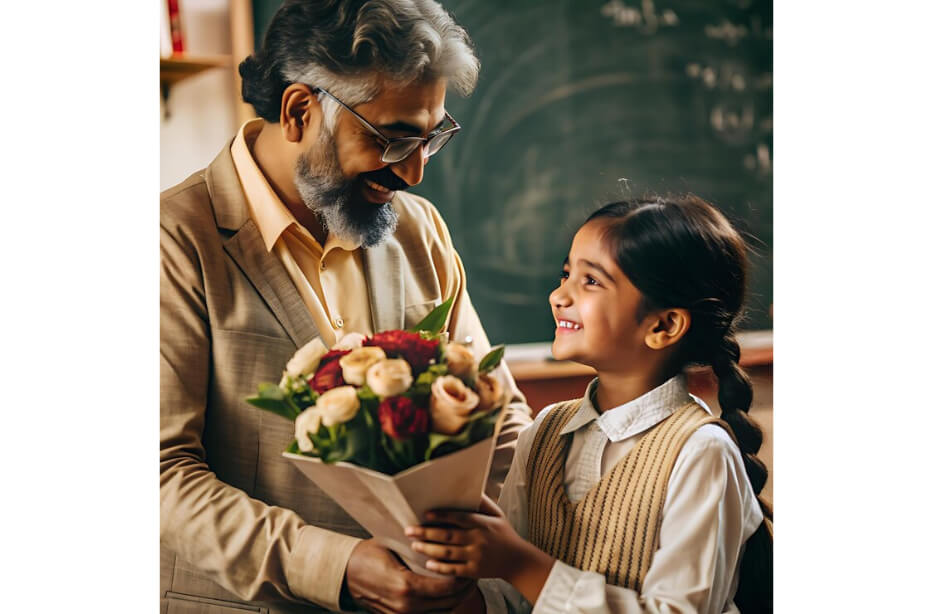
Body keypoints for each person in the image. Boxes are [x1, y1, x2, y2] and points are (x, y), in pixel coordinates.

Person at [159, 1, 532, 613]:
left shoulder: (419, 230)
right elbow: (161, 476)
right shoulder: (173, 240)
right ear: (300, 111)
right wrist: (338, 566)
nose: (413, 171)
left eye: (431, 136)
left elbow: (500, 417)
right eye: (391, 138)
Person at [405, 195, 773, 613]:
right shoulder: (543, 432)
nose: (560, 295)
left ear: (664, 325)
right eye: (566, 274)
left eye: (591, 281)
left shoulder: (701, 451)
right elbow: (507, 599)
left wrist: (519, 563)